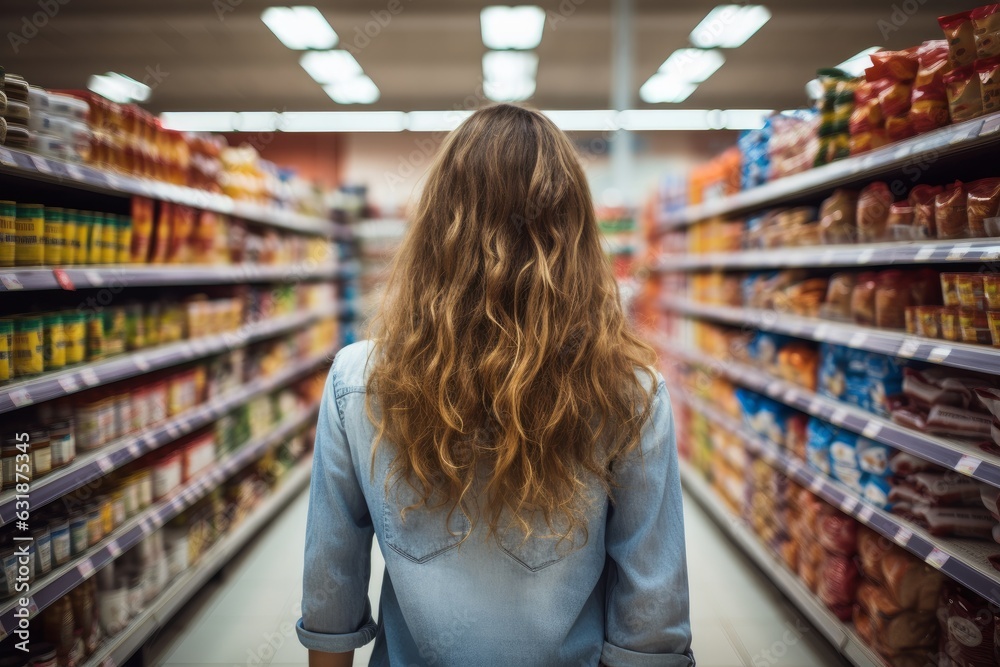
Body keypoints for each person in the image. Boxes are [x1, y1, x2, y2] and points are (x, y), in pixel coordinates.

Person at [296, 103, 694, 667]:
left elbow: (331, 592)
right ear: (576, 236)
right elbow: (650, 622)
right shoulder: (628, 393)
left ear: (433, 230)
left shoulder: (359, 381)